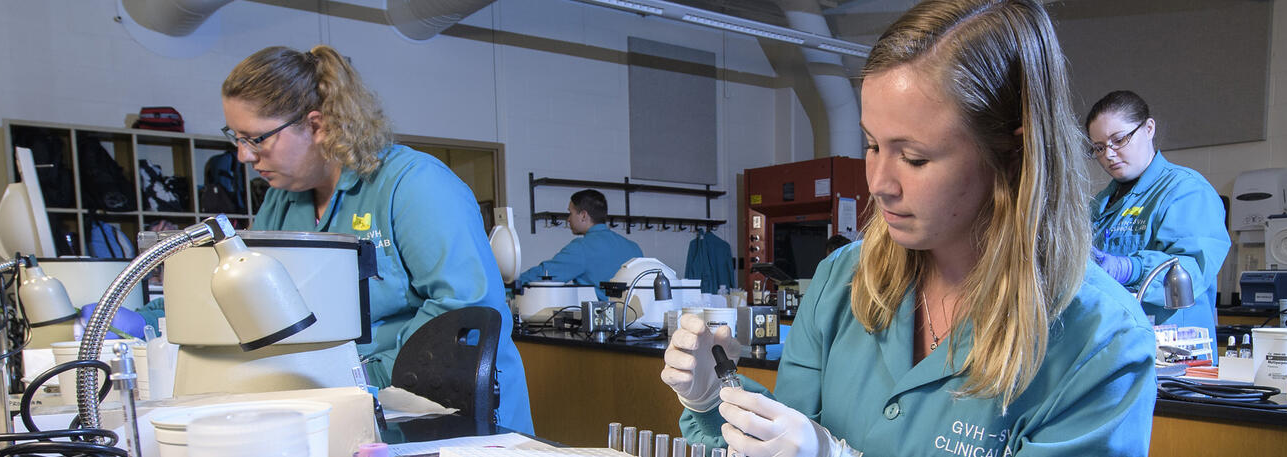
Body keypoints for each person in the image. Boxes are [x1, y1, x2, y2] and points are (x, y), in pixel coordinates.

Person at [659, 1, 1156, 455]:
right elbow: (792, 432)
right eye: (872, 144)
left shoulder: (1100, 344)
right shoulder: (841, 283)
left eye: (914, 158)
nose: (878, 183)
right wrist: (716, 394)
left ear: (1013, 153)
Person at [221, 45, 533, 433]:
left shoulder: (415, 185)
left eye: (255, 139)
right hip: (338, 402)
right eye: (235, 137)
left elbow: (464, 312)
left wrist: (356, 378)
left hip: (444, 408)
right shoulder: (283, 199)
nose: (242, 156)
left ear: (316, 126)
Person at [1086, 90, 1230, 333]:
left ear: (1149, 128)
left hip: (1174, 348)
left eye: (1119, 140)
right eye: (1099, 148)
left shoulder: (1186, 190)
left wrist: (1131, 269)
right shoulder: (1099, 205)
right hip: (1117, 341)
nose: (1109, 154)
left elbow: (1192, 270)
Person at [514, 190, 643, 300]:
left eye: (570, 213)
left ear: (583, 215)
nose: (568, 219)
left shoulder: (582, 247)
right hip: (635, 324)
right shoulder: (634, 247)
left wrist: (509, 282)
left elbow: (545, 275)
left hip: (600, 324)